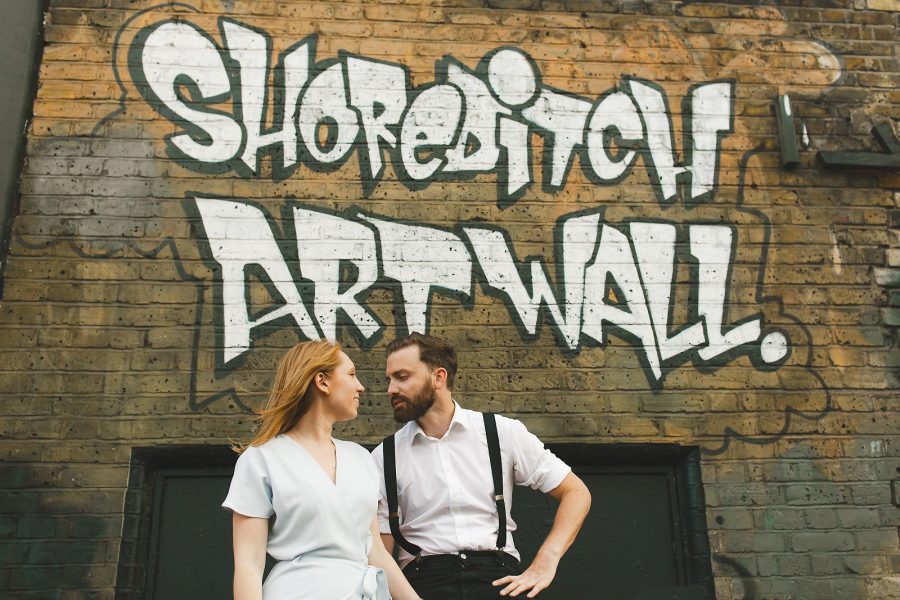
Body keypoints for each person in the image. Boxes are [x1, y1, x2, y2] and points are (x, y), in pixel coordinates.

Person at [372, 333, 592, 599]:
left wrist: (546, 561)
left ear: (439, 377)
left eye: (402, 377)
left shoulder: (500, 432)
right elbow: (380, 554)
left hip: (498, 579)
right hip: (423, 583)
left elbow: (576, 492)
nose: (391, 389)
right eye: (389, 379)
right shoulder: (384, 456)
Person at [223, 340, 422, 600]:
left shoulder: (361, 458)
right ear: (322, 382)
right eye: (351, 374)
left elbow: (376, 552)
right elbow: (248, 564)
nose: (360, 386)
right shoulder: (262, 458)